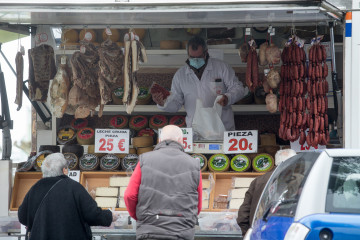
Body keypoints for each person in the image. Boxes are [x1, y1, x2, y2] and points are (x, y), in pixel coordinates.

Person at [152, 35, 247, 131]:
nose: (196, 60)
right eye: (192, 57)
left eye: (199, 57)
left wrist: (228, 97)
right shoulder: (180, 75)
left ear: (206, 53)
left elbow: (238, 88)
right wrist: (163, 103)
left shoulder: (221, 67)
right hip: (195, 132)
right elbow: (176, 104)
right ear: (188, 54)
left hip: (222, 128)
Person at [124, 125, 202, 240]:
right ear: (181, 141)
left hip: (149, 230)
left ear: (159, 140)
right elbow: (198, 203)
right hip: (181, 232)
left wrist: (141, 217)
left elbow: (129, 195)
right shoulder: (194, 165)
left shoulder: (144, 160)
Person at [18, 153, 118, 240]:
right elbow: (92, 214)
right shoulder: (74, 187)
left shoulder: (35, 188)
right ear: (64, 170)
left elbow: (22, 216)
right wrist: (109, 216)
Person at [236, 149, 297, 235]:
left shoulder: (258, 181)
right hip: (285, 233)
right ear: (293, 163)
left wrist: (248, 234)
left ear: (276, 162)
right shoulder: (297, 181)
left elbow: (243, 215)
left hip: (260, 233)